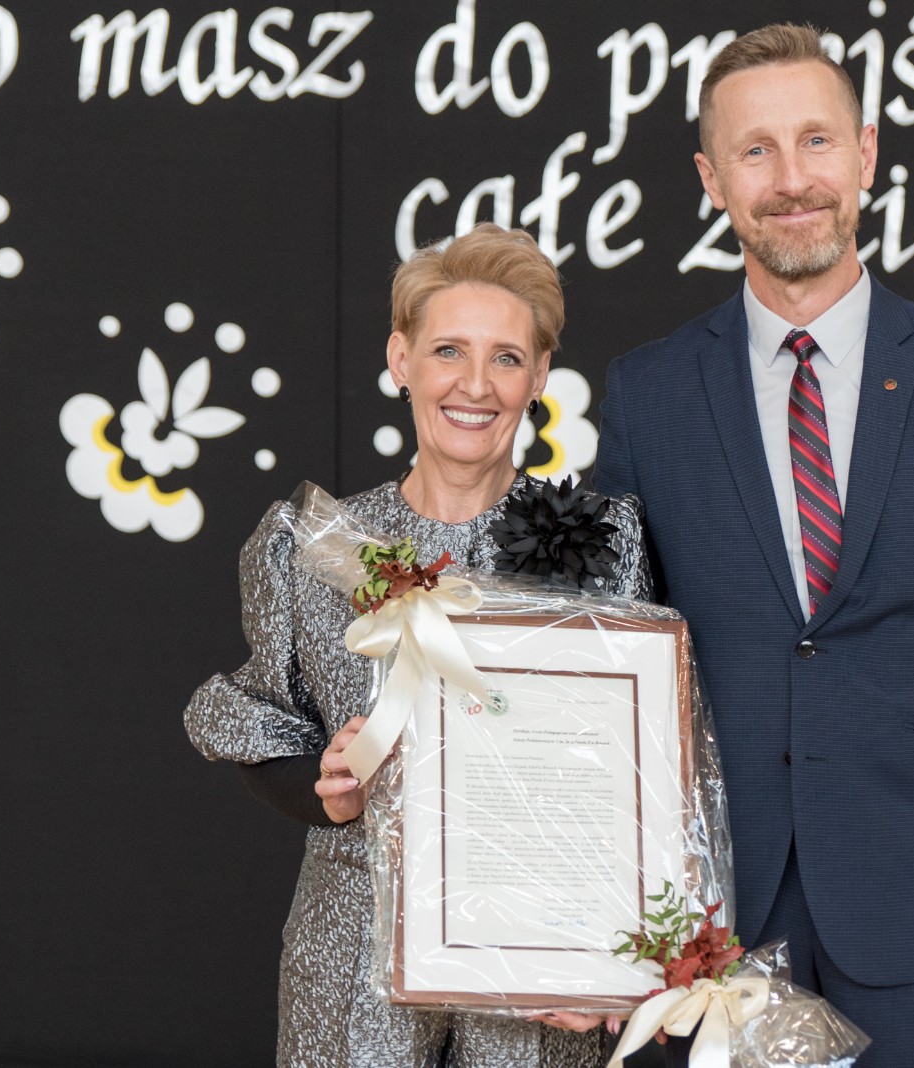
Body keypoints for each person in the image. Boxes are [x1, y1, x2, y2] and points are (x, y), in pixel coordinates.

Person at [593, 24, 914, 1068]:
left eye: (816, 140)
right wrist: (590, 908)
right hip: (715, 926)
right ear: (711, 180)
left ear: (865, 154)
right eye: (756, 150)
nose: (792, 179)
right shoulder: (648, 395)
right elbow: (611, 667)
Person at [185, 223, 650, 1068]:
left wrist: (607, 952)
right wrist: (327, 788)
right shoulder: (315, 545)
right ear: (400, 360)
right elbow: (261, 724)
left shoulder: (602, 545)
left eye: (507, 358)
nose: (475, 384)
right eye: (447, 351)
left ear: (540, 376)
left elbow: (633, 768)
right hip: (353, 951)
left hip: (532, 959)